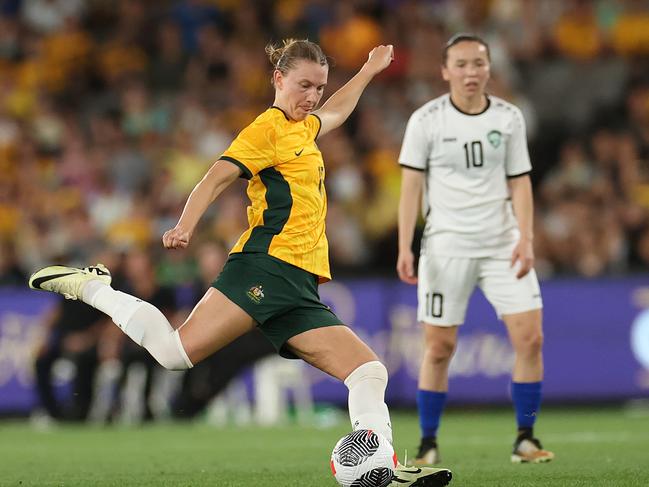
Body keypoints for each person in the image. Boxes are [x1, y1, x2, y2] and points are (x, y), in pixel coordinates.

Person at [29, 39, 452, 486]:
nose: (312, 97)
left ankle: (381, 467)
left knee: (368, 371)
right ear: (279, 79)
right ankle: (91, 287)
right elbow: (216, 176)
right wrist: (185, 225)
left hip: (299, 286)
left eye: (319, 88)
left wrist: (367, 71)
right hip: (264, 267)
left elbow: (337, 112)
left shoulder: (304, 127)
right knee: (175, 354)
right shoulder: (265, 130)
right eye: (304, 85)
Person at [396, 34, 553, 465]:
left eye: (478, 64)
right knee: (439, 347)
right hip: (446, 246)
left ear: (489, 68)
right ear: (445, 70)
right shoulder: (426, 121)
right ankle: (428, 444)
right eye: (461, 64)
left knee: (531, 338)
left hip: (502, 242)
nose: (471, 72)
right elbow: (411, 187)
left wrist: (527, 237)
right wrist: (406, 245)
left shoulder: (508, 118)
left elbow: (520, 181)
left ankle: (525, 438)